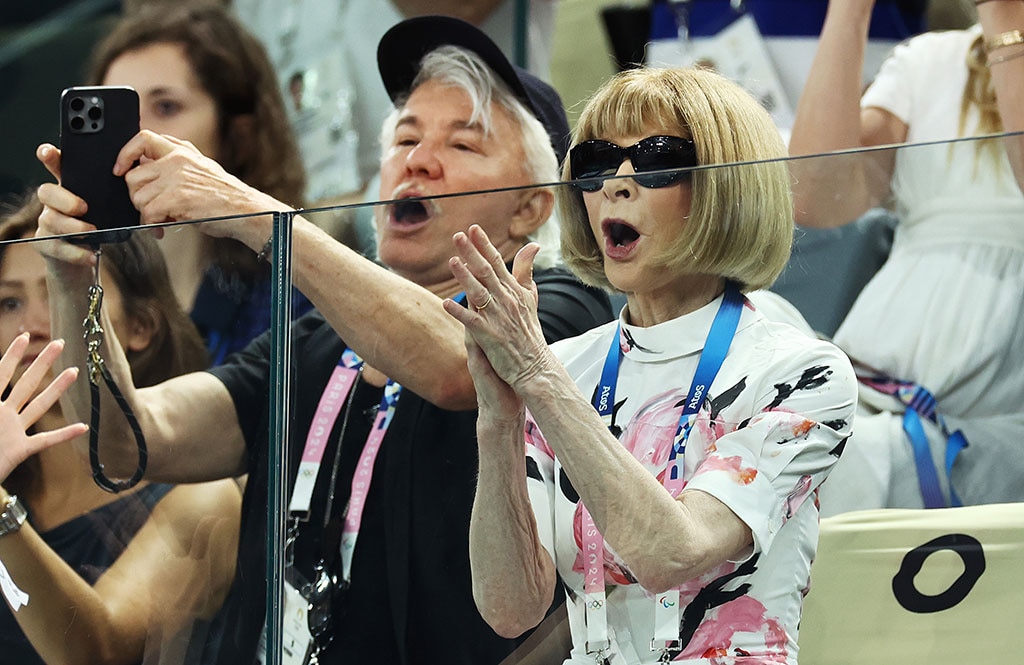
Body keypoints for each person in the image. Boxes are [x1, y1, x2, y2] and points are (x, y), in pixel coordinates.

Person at [35, 15, 612, 665]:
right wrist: (71, 279)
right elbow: (124, 441)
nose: (416, 159)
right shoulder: (316, 340)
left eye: (465, 145)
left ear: (532, 207)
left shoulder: (568, 308)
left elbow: (463, 365)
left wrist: (256, 215)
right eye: (404, 137)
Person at [443, 66, 858, 664]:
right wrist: (498, 421)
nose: (616, 182)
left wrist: (536, 378)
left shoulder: (802, 372)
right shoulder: (563, 367)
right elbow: (511, 610)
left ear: (727, 187)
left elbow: (673, 553)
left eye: (658, 158)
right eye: (596, 162)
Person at [788, 0, 1024, 513]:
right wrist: (850, 12)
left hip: (995, 391)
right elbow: (816, 199)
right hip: (884, 372)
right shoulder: (928, 58)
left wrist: (1006, 20)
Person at [0, 198, 241, 665]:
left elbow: (102, 653)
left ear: (139, 327)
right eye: (8, 301)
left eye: (58, 289)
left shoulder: (202, 497)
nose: (29, 326)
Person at [86, 1, 312, 364]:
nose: (135, 134)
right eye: (116, 113)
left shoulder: (291, 298)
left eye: (166, 107)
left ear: (240, 135)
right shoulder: (85, 278)